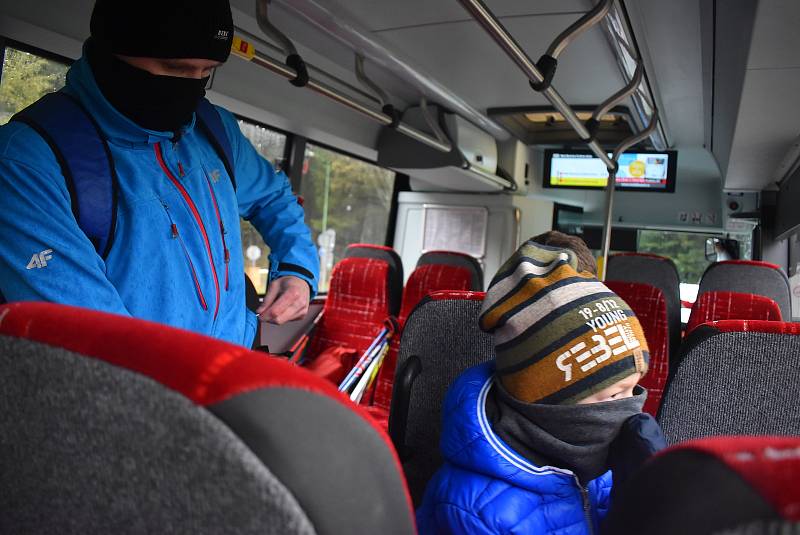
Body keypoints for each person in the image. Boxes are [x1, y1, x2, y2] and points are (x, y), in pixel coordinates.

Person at [0, 0, 319, 347]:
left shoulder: (215, 130)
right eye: (176, 67)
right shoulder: (27, 161)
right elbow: (98, 344)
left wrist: (297, 269)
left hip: (230, 369)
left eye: (206, 72)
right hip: (149, 393)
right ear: (114, 49)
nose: (193, 88)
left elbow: (274, 197)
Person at [416, 238, 664, 534]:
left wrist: (645, 498)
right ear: (548, 401)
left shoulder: (602, 460)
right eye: (613, 395)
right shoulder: (477, 512)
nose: (631, 409)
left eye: (634, 389)